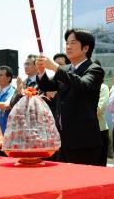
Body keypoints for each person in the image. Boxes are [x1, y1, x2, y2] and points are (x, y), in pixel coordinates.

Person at [36, 28, 104, 165]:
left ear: (85, 48)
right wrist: (41, 72)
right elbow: (48, 86)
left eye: (73, 43)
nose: (68, 46)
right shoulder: (66, 69)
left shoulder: (94, 69)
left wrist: (55, 67)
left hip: (83, 140)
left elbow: (82, 85)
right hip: (62, 138)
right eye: (67, 43)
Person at [93, 59, 109, 167]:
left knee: (99, 164)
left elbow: (99, 109)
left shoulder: (103, 87)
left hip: (99, 130)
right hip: (84, 130)